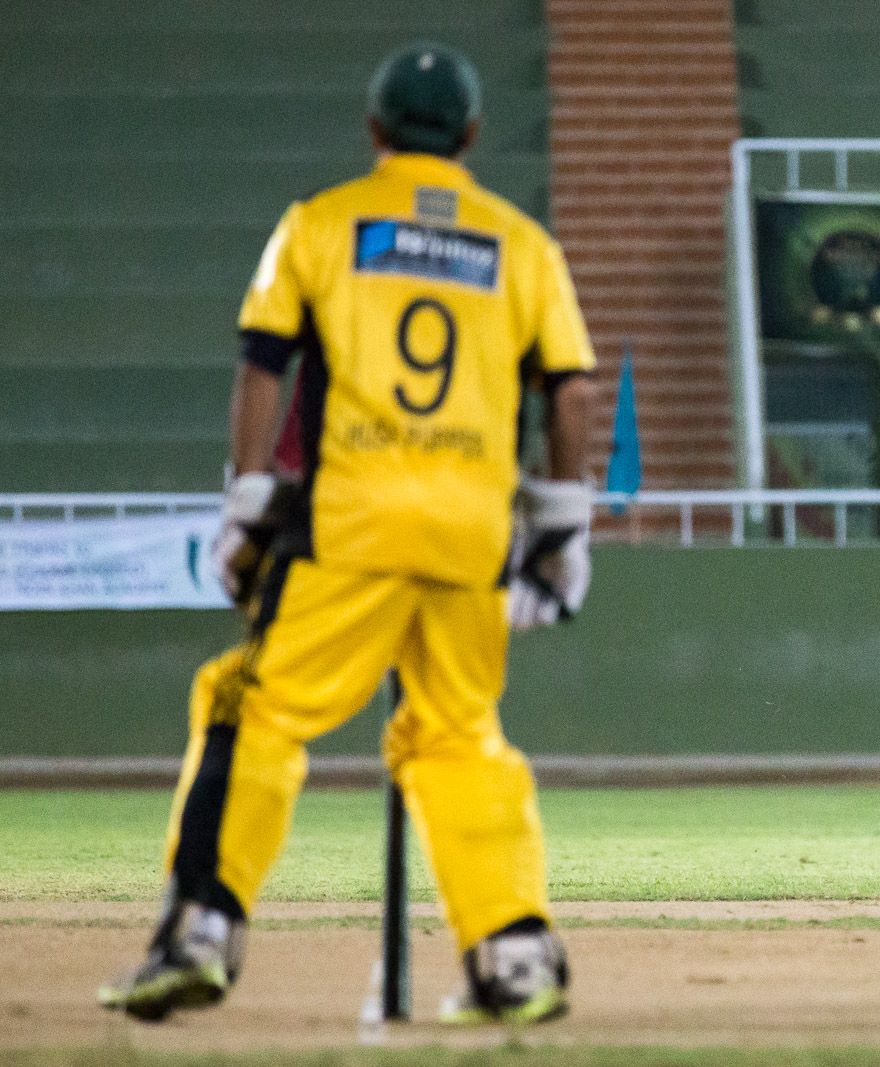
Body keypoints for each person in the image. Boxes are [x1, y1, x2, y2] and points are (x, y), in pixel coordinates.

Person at [99, 41, 596, 1024]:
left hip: (350, 524)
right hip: (470, 532)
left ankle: (201, 928)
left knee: (250, 703)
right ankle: (512, 953)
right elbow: (571, 393)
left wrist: (247, 499)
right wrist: (562, 526)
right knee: (458, 734)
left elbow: (263, 363)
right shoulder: (523, 244)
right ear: (470, 134)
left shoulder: (320, 224)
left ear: (375, 130)